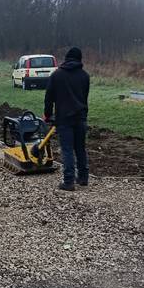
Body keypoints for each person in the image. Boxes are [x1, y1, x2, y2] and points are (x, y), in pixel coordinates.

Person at [44, 47, 90, 191]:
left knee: (67, 149)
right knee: (80, 148)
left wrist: (47, 114)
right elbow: (84, 97)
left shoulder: (57, 75)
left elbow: (49, 97)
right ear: (79, 59)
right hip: (81, 117)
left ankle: (68, 181)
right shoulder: (85, 76)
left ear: (67, 58)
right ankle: (83, 178)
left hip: (64, 118)